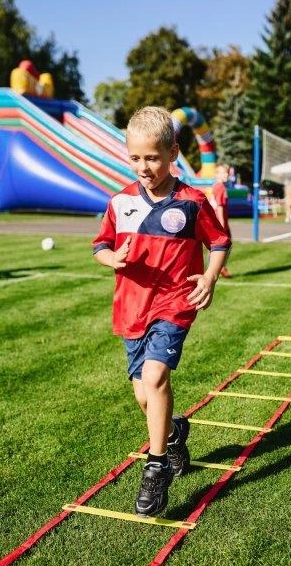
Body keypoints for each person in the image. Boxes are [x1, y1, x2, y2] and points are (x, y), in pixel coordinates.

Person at [92, 106, 231, 516]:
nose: (144, 167)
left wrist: (209, 278)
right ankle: (173, 434)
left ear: (173, 153)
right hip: (131, 308)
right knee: (143, 395)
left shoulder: (191, 202)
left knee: (155, 377)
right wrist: (112, 258)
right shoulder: (119, 202)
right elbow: (100, 246)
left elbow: (220, 242)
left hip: (174, 303)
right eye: (135, 158)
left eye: (152, 157)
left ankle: (155, 470)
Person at [210, 163, 232, 278]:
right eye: (223, 172)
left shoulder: (216, 186)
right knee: (225, 245)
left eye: (227, 172)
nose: (226, 174)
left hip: (216, 222)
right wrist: (222, 225)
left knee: (217, 246)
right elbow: (220, 207)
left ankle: (219, 267)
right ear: (217, 174)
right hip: (220, 222)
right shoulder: (221, 188)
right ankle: (220, 267)